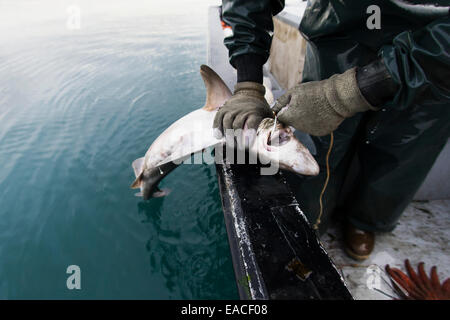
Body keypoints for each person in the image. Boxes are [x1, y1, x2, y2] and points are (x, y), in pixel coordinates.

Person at [214, 0, 450, 260]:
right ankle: (313, 219)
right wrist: (248, 81)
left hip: (435, 50)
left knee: (404, 144)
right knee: (323, 142)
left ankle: (365, 222)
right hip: (343, 28)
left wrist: (344, 94)